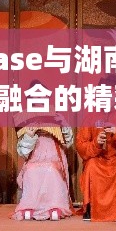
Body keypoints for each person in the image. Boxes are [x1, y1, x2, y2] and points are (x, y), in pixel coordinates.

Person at [76, 74, 116, 222]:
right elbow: (80, 145)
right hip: (99, 160)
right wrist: (96, 143)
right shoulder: (91, 116)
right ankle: (91, 207)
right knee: (91, 166)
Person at [12, 80, 75, 221]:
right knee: (32, 170)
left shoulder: (56, 114)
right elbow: (22, 152)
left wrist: (63, 125)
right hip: (34, 156)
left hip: (54, 155)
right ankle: (30, 206)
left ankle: (55, 206)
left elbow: (68, 142)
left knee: (51, 169)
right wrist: (29, 136)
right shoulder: (25, 117)